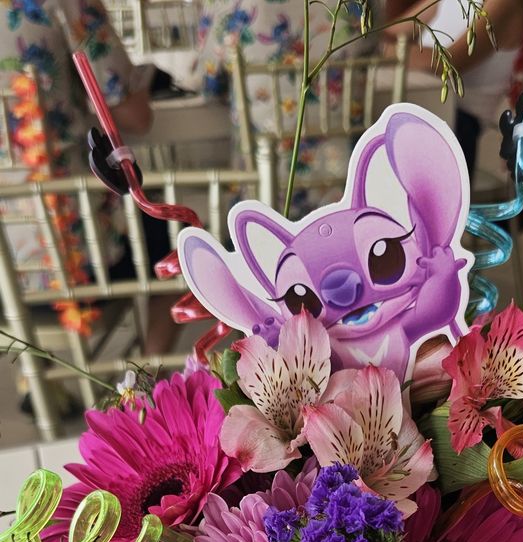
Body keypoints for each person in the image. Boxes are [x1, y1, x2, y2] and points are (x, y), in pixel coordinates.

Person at [0, 0, 177, 357]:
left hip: (6, 278)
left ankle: (39, 382)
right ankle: (150, 384)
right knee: (177, 234)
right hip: (79, 264)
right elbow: (136, 117)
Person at [191, 0, 373, 212]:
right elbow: (376, 50)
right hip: (351, 189)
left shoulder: (229, 5)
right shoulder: (360, 4)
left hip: (265, 198)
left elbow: (210, 85)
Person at [384, 0, 523, 184]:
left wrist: (383, 49)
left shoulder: (503, 4)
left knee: (368, 123)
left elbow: (445, 64)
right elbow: (391, 32)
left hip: (457, 124)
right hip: (424, 107)